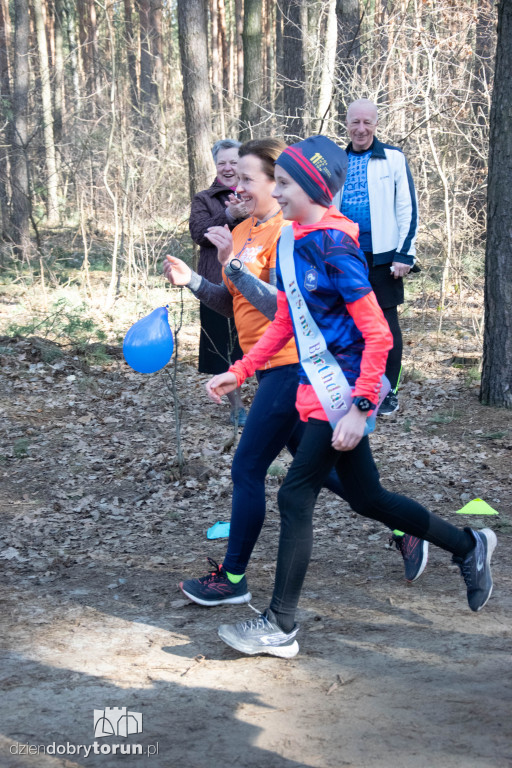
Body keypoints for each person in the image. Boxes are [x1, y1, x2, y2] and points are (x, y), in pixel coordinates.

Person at [206, 135, 497, 658]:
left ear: (316, 188)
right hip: (313, 388)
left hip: (340, 394)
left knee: (295, 495)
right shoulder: (296, 235)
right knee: (367, 498)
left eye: (288, 183)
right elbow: (291, 320)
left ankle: (280, 624)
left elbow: (378, 334)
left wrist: (362, 408)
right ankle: (469, 546)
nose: (280, 191)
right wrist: (242, 368)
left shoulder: (336, 247)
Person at [164, 139, 426, 609]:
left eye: (248, 179)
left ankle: (234, 577)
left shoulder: (292, 232)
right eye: (233, 177)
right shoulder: (241, 229)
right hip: (266, 365)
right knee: (316, 470)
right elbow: (233, 305)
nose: (235, 187)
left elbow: (284, 309)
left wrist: (237, 270)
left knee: (248, 467)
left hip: (293, 365)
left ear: (276, 183)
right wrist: (198, 281)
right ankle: (406, 525)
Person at [333, 99, 418, 417]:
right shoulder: (336, 160)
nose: (361, 128)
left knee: (386, 325)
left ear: (376, 124)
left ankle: (389, 391)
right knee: (347, 324)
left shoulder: (393, 158)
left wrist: (404, 253)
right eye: (355, 122)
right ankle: (353, 387)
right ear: (347, 123)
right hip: (344, 256)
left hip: (384, 259)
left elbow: (407, 209)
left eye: (367, 122)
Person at [189, 138, 247, 425]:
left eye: (234, 162)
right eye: (222, 162)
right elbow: (199, 233)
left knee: (251, 345)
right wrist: (228, 215)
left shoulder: (257, 194)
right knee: (221, 349)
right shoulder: (204, 198)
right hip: (215, 283)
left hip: (252, 282)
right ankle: (237, 406)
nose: (227, 168)